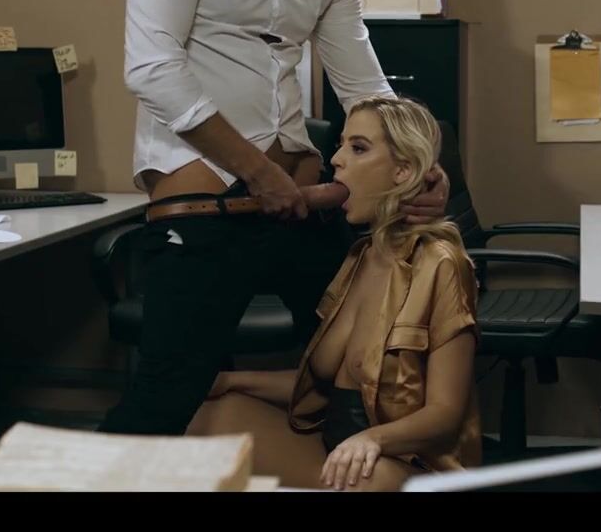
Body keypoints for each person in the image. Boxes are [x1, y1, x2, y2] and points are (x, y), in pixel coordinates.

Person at [101, 0, 449, 437]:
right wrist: (258, 174)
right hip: (211, 207)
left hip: (299, 208)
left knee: (362, 366)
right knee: (165, 399)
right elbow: (152, 67)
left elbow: (365, 87)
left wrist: (422, 167)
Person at [186, 97, 480, 491]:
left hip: (404, 464)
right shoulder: (359, 256)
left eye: (358, 148)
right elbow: (324, 388)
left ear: (403, 171)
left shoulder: (442, 264)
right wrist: (231, 381)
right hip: (335, 450)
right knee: (202, 415)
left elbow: (445, 414)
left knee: (360, 481)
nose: (337, 159)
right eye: (341, 145)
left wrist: (372, 440)